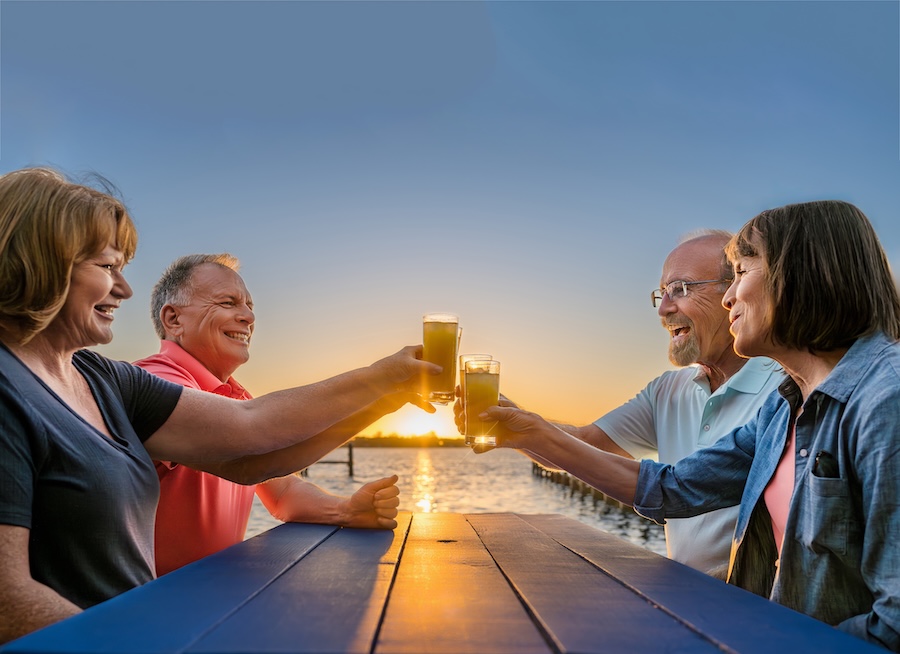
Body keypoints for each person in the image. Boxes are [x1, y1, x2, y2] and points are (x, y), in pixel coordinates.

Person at [0, 167, 440, 645]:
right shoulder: (28, 387)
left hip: (155, 627)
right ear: (37, 262)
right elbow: (8, 602)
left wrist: (389, 388)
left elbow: (254, 445)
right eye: (107, 268)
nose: (124, 290)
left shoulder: (104, 377)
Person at [483, 200, 900, 649]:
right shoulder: (786, 406)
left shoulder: (885, 399)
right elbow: (673, 488)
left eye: (741, 273)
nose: (728, 298)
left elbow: (893, 623)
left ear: (801, 274)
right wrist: (526, 430)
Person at [460, 231, 784, 575]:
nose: (664, 308)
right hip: (685, 597)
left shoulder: (786, 388)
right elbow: (581, 445)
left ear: (732, 292)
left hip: (751, 608)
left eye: (681, 289)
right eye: (662, 293)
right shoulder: (666, 390)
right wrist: (512, 420)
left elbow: (672, 488)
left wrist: (529, 431)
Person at [135, 253, 403, 576]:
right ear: (173, 320)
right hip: (147, 609)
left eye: (249, 306)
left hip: (207, 600)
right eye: (228, 303)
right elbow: (250, 443)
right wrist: (380, 381)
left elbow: (284, 491)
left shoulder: (236, 397)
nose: (248, 316)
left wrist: (346, 510)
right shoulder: (154, 382)